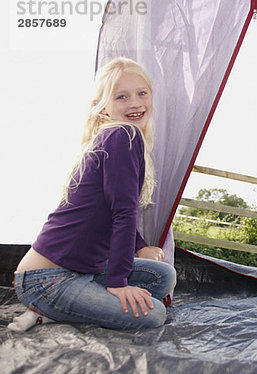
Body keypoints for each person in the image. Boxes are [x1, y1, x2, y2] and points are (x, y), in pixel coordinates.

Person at [9, 58, 176, 332]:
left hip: (83, 270)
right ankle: (49, 307)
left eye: (142, 93)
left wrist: (140, 247)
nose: (135, 103)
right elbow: (124, 213)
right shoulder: (123, 135)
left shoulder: (117, 137)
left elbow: (113, 208)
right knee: (154, 315)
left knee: (163, 276)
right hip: (45, 279)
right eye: (122, 96)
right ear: (103, 107)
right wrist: (118, 284)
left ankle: (58, 310)